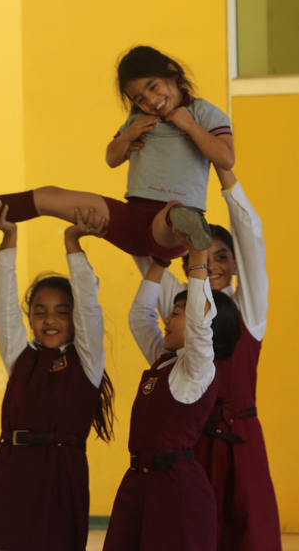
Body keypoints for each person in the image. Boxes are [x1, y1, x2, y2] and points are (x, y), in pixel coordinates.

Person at [0, 46, 235, 257]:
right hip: (130, 215)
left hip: (171, 230)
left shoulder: (205, 114)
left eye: (153, 86)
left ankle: (192, 232)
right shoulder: (140, 118)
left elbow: (226, 158)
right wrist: (126, 138)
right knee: (49, 195)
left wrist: (189, 126)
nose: (150, 100)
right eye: (138, 98)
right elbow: (111, 158)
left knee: (177, 211)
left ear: (171, 72)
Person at [134, 167, 281, 551]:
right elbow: (145, 252)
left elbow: (251, 240)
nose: (212, 263)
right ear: (186, 264)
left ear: (235, 265)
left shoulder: (249, 310)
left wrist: (226, 176)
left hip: (242, 443)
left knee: (251, 534)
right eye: (204, 255)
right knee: (192, 536)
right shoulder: (180, 308)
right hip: (190, 445)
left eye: (223, 256)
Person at [0, 203, 115, 551]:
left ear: (75, 318)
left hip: (59, 476)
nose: (49, 320)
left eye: (61, 312)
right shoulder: (20, 357)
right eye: (40, 312)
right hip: (10, 473)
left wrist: (72, 243)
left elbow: (89, 305)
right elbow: (2, 303)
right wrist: (9, 237)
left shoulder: (87, 360)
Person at [103, 230, 242, 551]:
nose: (166, 318)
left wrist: (197, 258)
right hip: (139, 484)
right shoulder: (164, 362)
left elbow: (198, 324)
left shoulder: (197, 369)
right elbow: (140, 317)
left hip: (175, 492)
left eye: (176, 313)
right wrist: (159, 263)